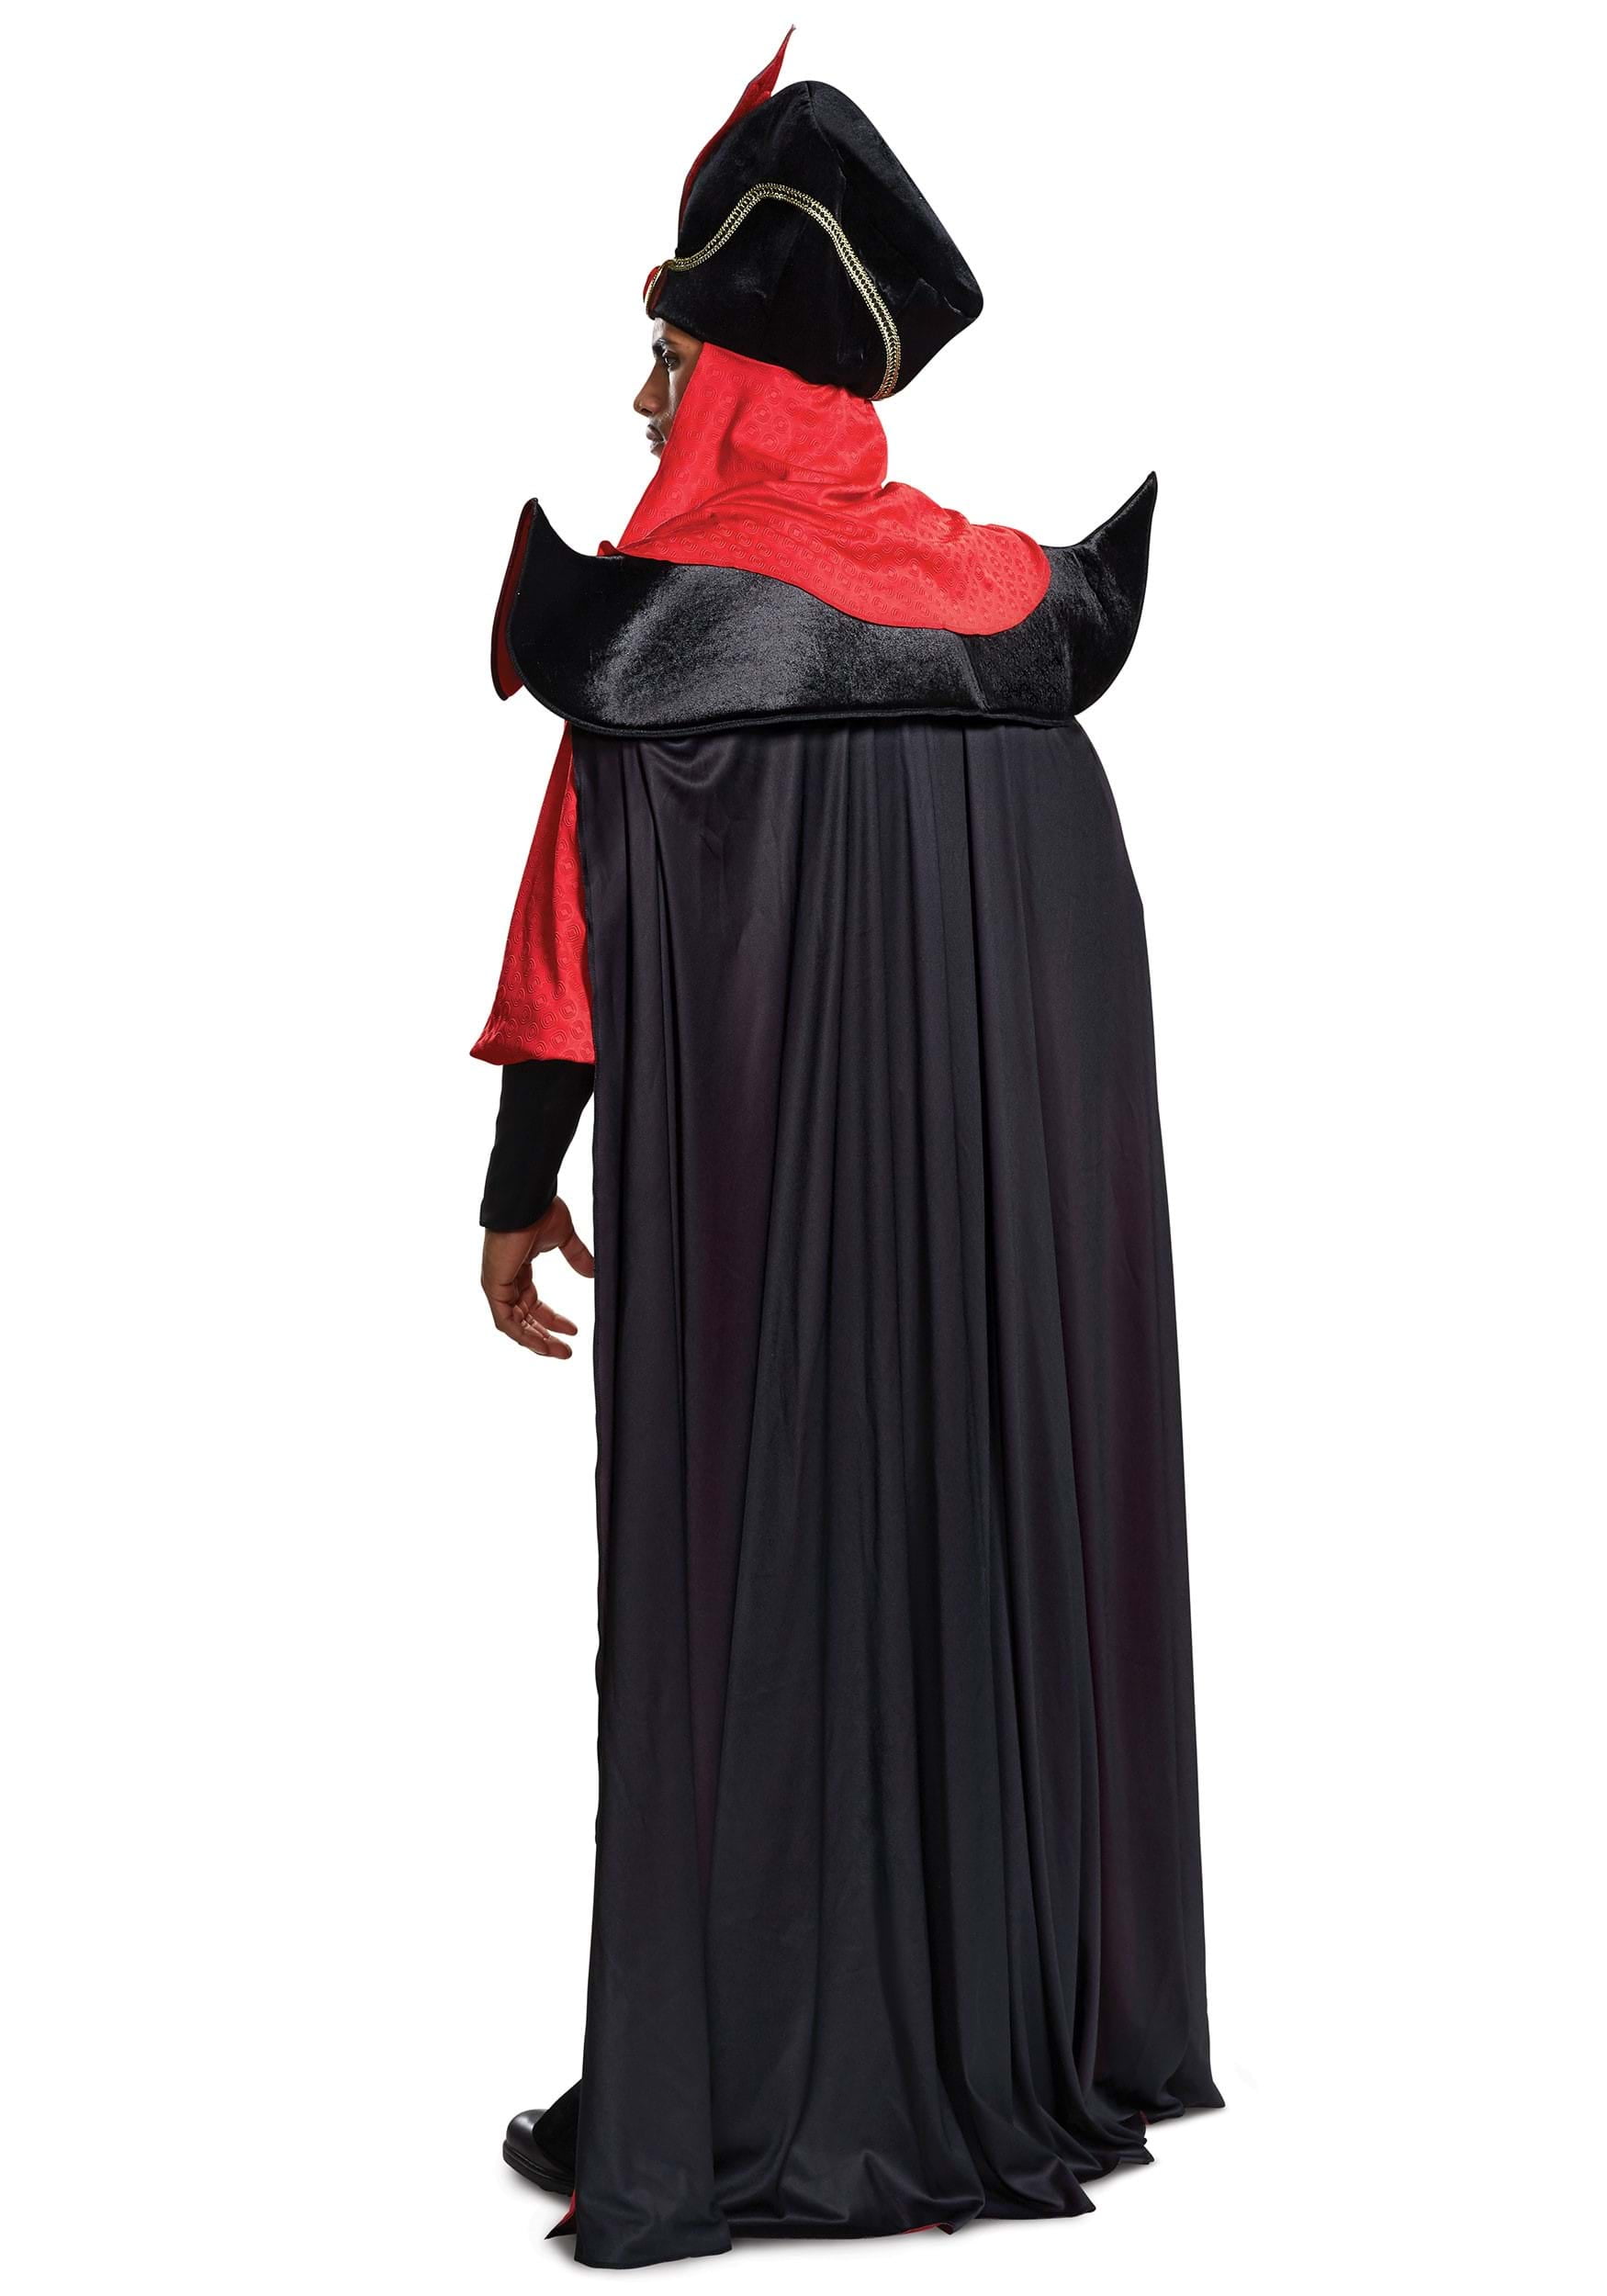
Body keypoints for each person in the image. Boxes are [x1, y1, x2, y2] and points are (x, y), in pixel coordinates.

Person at [473, 33, 1222, 2268]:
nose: (638, 399)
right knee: (963, 1532)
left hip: (766, 1218)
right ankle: (991, 2033)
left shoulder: (666, 629)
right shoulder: (1003, 615)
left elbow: (571, 945)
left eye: (660, 352)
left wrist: (513, 1186)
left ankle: (725, 2086)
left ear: (721, 366)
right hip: (991, 1232)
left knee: (747, 1573)